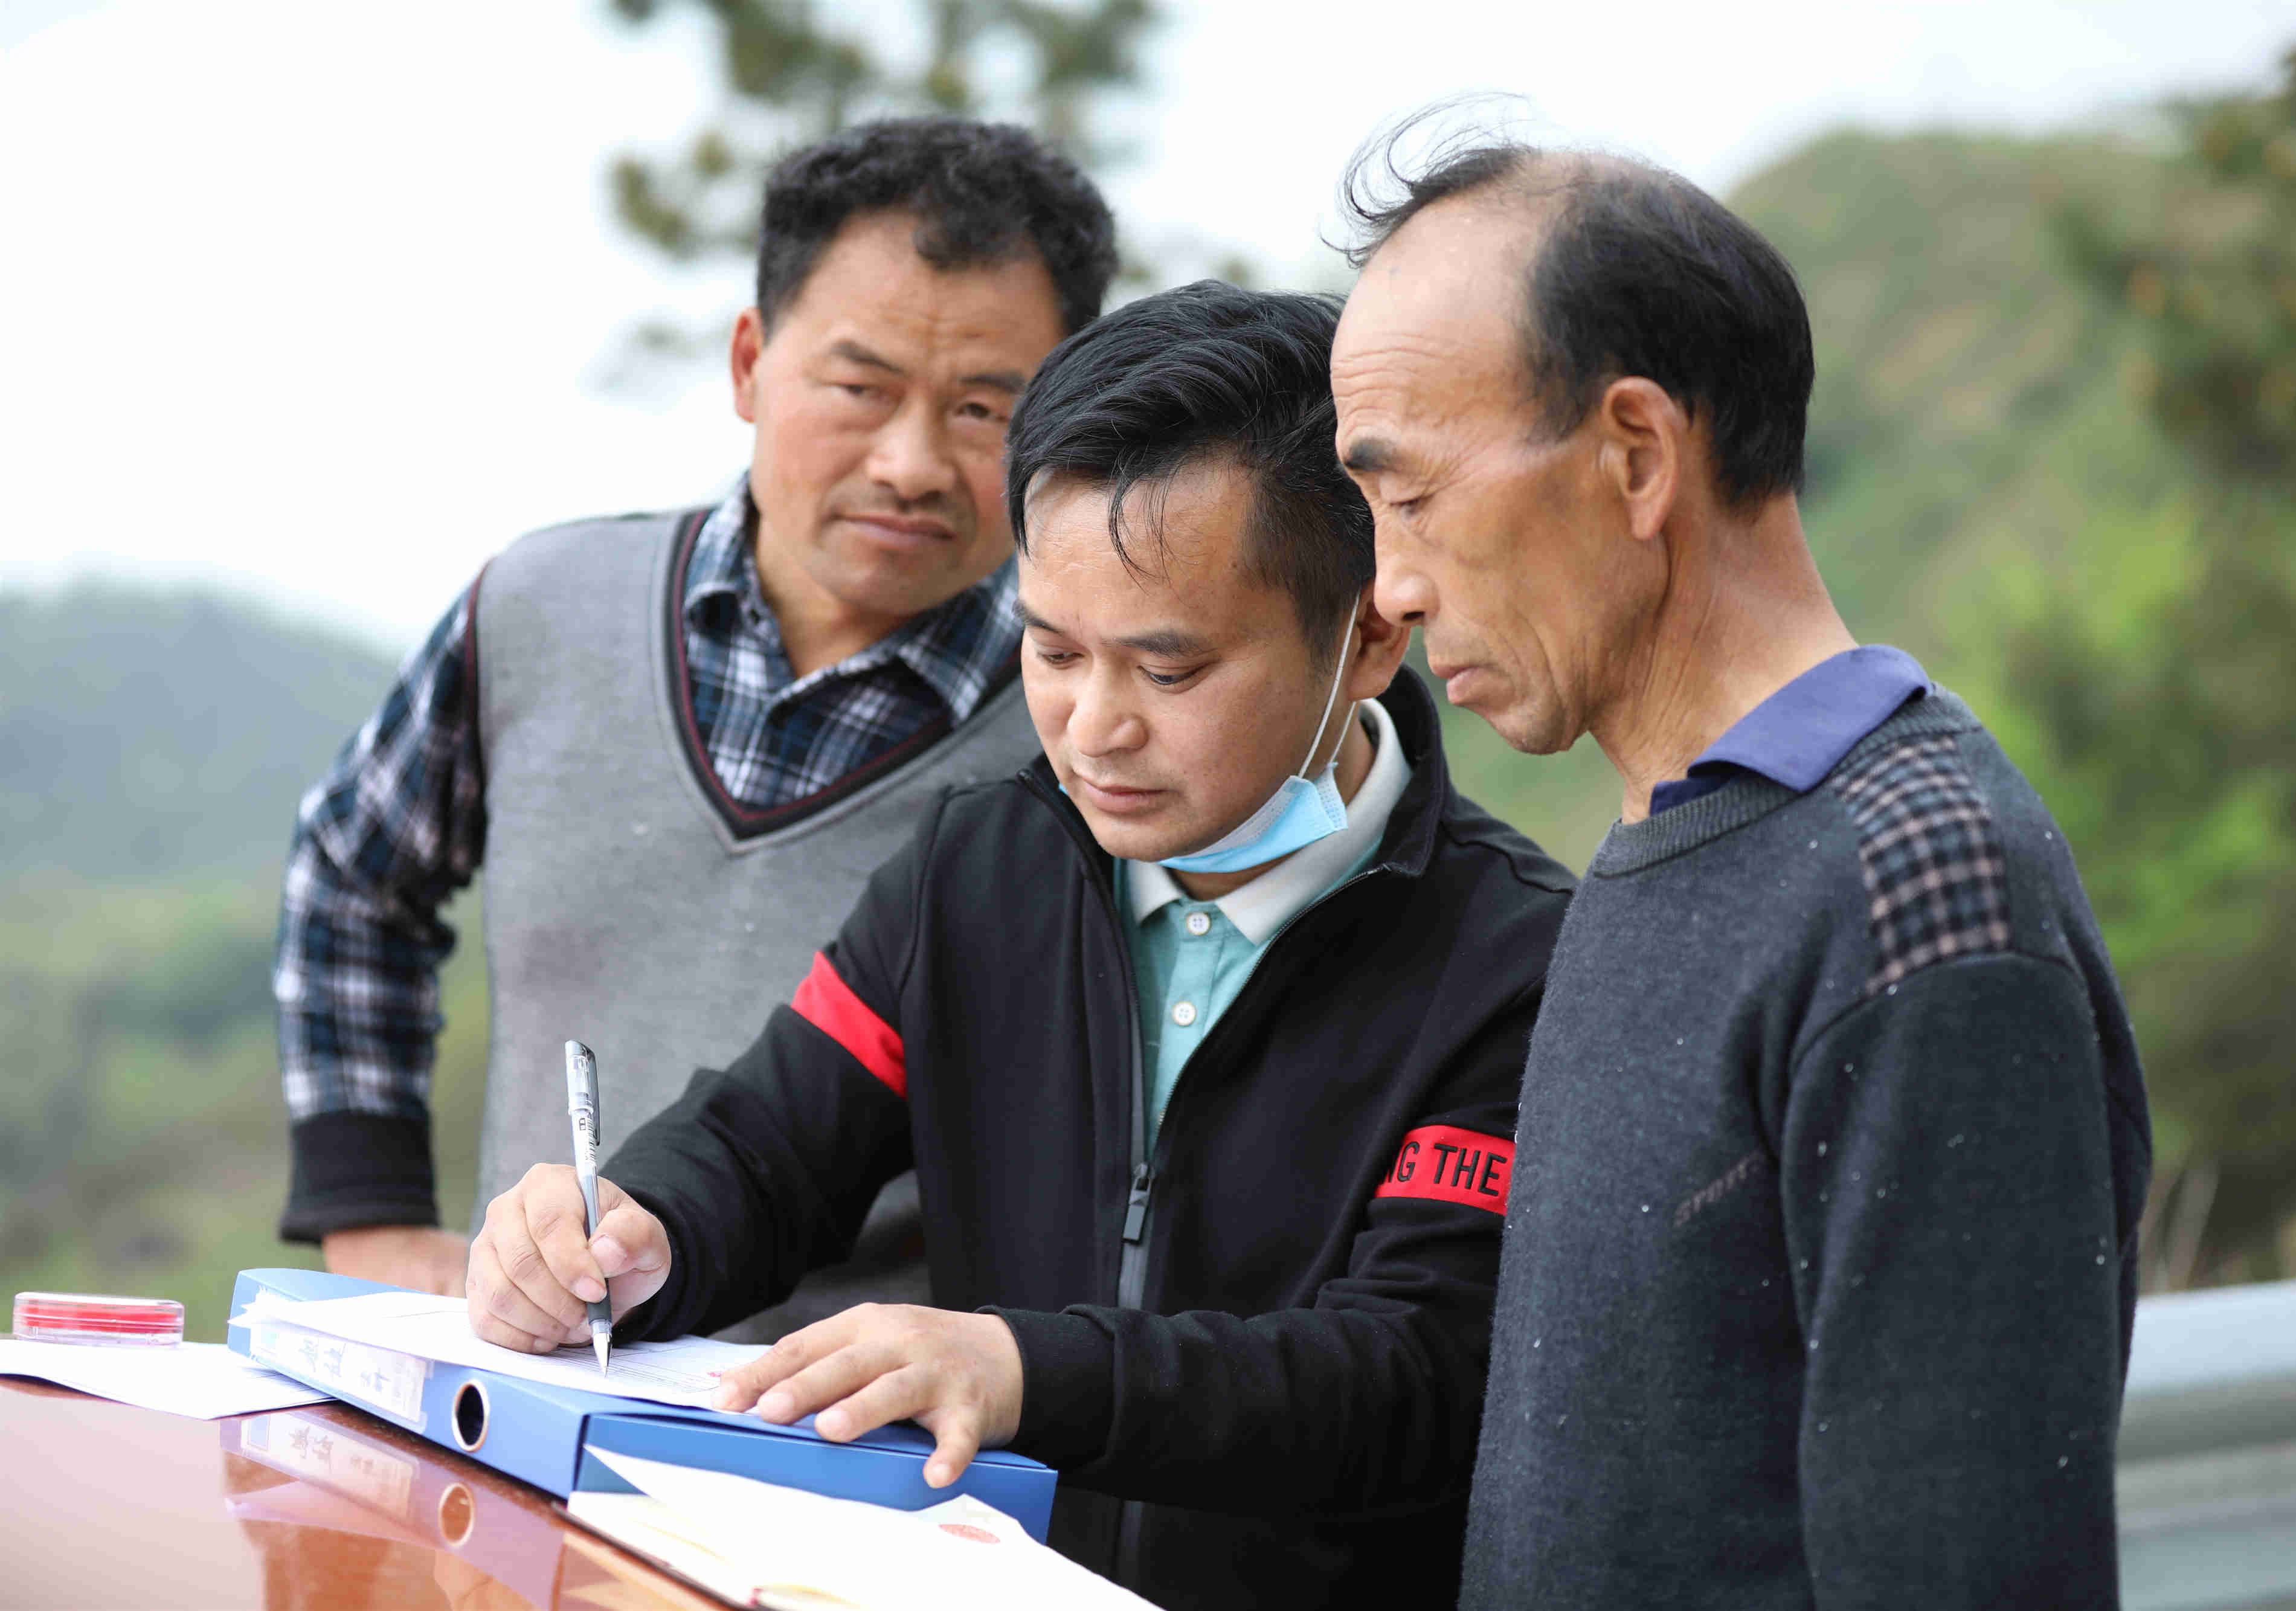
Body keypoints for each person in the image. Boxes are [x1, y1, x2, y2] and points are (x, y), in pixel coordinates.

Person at [464, 283, 1574, 1610]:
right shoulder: (979, 871)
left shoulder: (1517, 962)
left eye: (1167, 672)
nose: (1092, 727)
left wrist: (1025, 1371)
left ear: (1372, 631)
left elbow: (1409, 1372)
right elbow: (770, 1143)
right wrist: (636, 1225)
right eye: (1052, 648)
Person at [1330, 139, 2153, 1607]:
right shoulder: (1664, 846)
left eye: (1410, 498)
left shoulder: (1916, 894)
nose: (1389, 584)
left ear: (1635, 455)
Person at [271, 119, 1115, 1331]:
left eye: (984, 408)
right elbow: (353, 873)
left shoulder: (1090, 726)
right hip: (516, 1388)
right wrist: (371, 1215)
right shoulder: (543, 608)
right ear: (748, 364)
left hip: (852, 1445)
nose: (910, 461)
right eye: (858, 386)